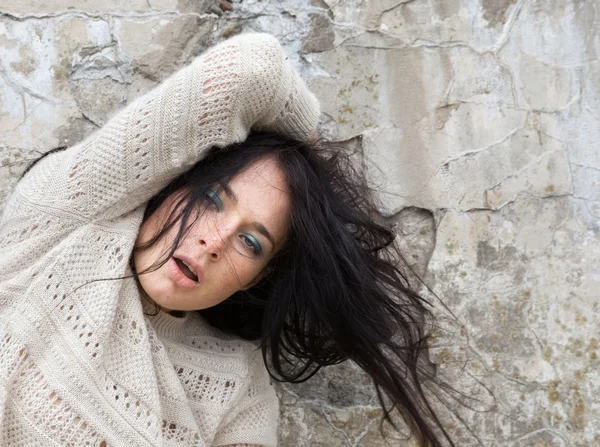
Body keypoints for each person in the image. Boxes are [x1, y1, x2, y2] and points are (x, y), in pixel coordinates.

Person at [0, 33, 454, 446]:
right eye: (213, 199)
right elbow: (250, 70)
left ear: (259, 275)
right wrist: (311, 151)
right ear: (175, 181)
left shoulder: (238, 389)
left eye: (252, 243)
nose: (214, 241)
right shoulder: (63, 221)